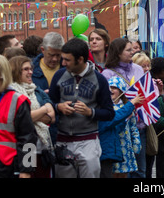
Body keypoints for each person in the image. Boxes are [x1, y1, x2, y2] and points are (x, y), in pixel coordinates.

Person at [49, 38, 115, 178]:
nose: (63, 63)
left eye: (67, 60)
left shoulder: (99, 79)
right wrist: (58, 107)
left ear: (80, 59)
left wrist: (90, 112)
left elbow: (109, 113)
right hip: (63, 140)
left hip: (88, 141)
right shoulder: (59, 76)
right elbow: (49, 104)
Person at [9, 56, 55, 178]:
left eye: (30, 68)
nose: (30, 72)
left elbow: (51, 117)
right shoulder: (10, 93)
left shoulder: (37, 90)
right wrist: (43, 109)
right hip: (25, 147)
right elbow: (20, 118)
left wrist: (33, 114)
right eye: (25, 69)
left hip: (42, 148)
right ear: (16, 71)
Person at [99, 76, 143, 178]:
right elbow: (114, 123)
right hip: (114, 148)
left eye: (114, 88)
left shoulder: (126, 106)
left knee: (124, 174)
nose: (111, 90)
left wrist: (136, 142)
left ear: (121, 90)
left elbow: (133, 127)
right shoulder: (106, 108)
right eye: (109, 87)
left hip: (126, 149)